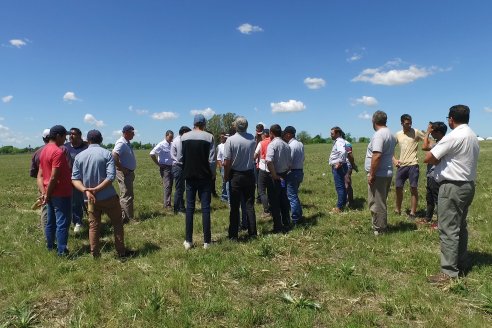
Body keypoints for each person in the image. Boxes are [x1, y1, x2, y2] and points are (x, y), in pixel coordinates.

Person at [425, 105, 479, 283]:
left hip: (452, 186)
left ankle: (448, 272)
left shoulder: (453, 136)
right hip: (468, 185)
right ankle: (461, 262)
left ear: (451, 119)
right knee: (460, 226)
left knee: (448, 229)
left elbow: (429, 157)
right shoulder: (471, 135)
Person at [72, 130, 133, 258]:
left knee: (93, 226)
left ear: (87, 141)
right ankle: (121, 252)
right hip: (108, 197)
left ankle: (95, 254)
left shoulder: (79, 156)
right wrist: (96, 189)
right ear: (101, 139)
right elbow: (111, 177)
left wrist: (86, 191)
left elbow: (74, 179)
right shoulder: (106, 154)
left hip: (89, 199)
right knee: (117, 222)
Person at [179, 114, 215, 249]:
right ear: (204, 124)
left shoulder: (184, 137)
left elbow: (180, 157)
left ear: (194, 123)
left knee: (190, 208)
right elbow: (211, 160)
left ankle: (188, 240)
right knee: (205, 208)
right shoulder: (209, 137)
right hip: (204, 176)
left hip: (189, 176)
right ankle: (207, 241)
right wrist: (212, 174)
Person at [37, 125, 72, 256]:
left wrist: (44, 193)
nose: (66, 139)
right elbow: (53, 176)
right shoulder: (58, 152)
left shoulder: (44, 151)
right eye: (64, 136)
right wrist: (48, 193)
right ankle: (62, 251)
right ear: (58, 136)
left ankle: (50, 246)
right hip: (61, 193)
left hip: (49, 192)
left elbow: (40, 175)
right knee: (62, 222)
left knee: (51, 222)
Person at [223, 117, 257, 240]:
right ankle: (252, 233)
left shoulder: (230, 140)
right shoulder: (252, 139)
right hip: (249, 174)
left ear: (236, 126)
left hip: (236, 175)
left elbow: (227, 161)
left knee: (235, 207)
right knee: (249, 205)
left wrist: (226, 176)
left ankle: (233, 235)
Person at [365, 111, 397, 235]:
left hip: (379, 174)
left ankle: (380, 229)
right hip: (386, 172)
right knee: (381, 201)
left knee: (377, 203)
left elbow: (377, 155)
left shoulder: (379, 135)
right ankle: (380, 226)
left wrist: (372, 174)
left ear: (374, 121)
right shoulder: (390, 134)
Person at [393, 114, 426, 219]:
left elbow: (426, 140)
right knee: (398, 187)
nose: (409, 125)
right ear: (402, 123)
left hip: (413, 165)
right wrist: (394, 160)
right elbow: (390, 148)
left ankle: (412, 213)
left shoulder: (415, 132)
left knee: (413, 188)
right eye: (407, 123)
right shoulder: (398, 134)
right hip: (401, 165)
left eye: (410, 122)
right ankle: (397, 209)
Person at [266, 124, 292, 233]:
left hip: (275, 177)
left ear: (271, 133)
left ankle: (278, 226)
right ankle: (286, 222)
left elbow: (269, 161)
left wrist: (275, 175)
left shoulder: (272, 145)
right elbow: (290, 163)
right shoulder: (286, 145)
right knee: (284, 200)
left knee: (274, 202)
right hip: (285, 175)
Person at [421, 122, 447, 225]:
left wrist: (427, 132)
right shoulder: (437, 142)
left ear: (439, 132)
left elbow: (428, 158)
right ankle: (428, 218)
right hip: (431, 175)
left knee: (437, 200)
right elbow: (424, 146)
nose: (431, 134)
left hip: (436, 175)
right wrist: (427, 132)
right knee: (430, 198)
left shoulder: (443, 143)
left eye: (433, 132)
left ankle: (440, 222)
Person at [64, 127, 88, 233]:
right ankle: (76, 221)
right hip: (68, 178)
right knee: (73, 201)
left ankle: (80, 220)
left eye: (73, 134)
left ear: (79, 136)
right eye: (70, 134)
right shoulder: (65, 147)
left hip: (82, 178)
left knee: (80, 200)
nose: (70, 136)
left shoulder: (85, 147)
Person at [112, 125, 137, 223]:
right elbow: (114, 155)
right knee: (126, 195)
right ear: (126, 132)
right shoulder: (121, 143)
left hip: (128, 172)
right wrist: (122, 168)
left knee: (128, 194)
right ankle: (128, 218)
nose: (134, 134)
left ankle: (125, 216)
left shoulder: (126, 142)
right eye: (132, 132)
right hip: (124, 173)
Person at [283, 126, 304, 224]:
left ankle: (295, 218)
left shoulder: (290, 146)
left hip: (292, 172)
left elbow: (289, 161)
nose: (284, 136)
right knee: (294, 194)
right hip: (300, 171)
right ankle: (299, 214)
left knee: (291, 196)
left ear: (289, 134)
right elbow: (303, 158)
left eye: (285, 134)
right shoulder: (300, 144)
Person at [150, 130, 175, 209]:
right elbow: (152, 153)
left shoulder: (172, 144)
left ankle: (168, 202)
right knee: (167, 185)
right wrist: (158, 164)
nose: (171, 138)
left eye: (172, 137)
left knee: (170, 185)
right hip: (165, 168)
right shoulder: (161, 144)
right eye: (170, 137)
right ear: (166, 136)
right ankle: (167, 205)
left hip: (171, 167)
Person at [171, 126, 191, 215]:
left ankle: (181, 207)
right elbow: (180, 157)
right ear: (183, 132)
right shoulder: (179, 141)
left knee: (181, 189)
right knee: (179, 189)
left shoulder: (179, 139)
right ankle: (177, 209)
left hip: (179, 166)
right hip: (179, 167)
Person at [328, 127, 349, 213]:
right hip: (341, 166)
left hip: (339, 167)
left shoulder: (339, 141)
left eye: (332, 133)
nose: (331, 135)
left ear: (337, 133)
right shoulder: (339, 141)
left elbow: (343, 152)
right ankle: (342, 204)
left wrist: (339, 163)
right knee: (342, 187)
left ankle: (339, 207)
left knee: (339, 187)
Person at [254, 129, 271, 217]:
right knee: (271, 190)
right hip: (273, 169)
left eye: (261, 135)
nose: (261, 136)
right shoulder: (273, 142)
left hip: (263, 168)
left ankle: (266, 211)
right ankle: (274, 208)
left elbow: (255, 155)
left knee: (261, 190)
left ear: (264, 135)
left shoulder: (261, 143)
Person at [343, 133, 358, 207]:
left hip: (346, 166)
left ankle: (350, 202)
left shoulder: (346, 144)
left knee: (347, 183)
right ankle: (346, 200)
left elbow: (350, 156)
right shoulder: (338, 143)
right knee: (345, 183)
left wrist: (352, 165)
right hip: (341, 166)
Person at [216, 132, 229, 202]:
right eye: (222, 137)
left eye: (224, 137)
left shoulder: (231, 144)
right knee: (224, 181)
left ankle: (229, 195)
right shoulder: (220, 146)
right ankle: (224, 196)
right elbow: (218, 158)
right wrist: (221, 167)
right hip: (224, 166)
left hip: (231, 166)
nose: (223, 138)